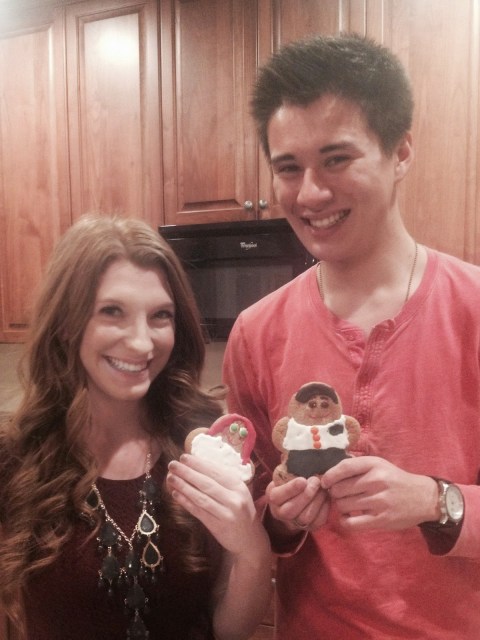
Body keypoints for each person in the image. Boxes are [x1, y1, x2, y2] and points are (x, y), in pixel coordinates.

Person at [223, 33, 480, 639]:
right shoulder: (256, 333)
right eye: (289, 168)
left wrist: (436, 500)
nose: (310, 193)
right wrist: (282, 517)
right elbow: (249, 517)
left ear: (401, 152)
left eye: (336, 159)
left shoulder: (472, 309)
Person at [0, 214, 271, 640]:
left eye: (160, 315)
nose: (142, 342)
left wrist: (251, 547)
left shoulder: (206, 450)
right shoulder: (15, 459)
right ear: (67, 323)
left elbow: (228, 630)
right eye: (112, 312)